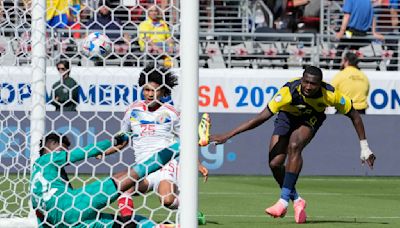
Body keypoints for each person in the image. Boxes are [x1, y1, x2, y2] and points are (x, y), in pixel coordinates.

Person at [209, 66, 376, 224]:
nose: (309, 87)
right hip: (287, 117)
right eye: (306, 82)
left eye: (314, 84)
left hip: (311, 118)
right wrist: (228, 135)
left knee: (295, 145)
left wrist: (364, 147)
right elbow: (259, 118)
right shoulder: (287, 92)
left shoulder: (330, 94)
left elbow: (355, 116)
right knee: (275, 163)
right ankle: (297, 199)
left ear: (320, 84)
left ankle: (283, 201)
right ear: (302, 80)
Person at [108, 65, 208, 224]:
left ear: (163, 92)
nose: (149, 94)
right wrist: (104, 152)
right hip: (143, 166)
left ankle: (191, 211)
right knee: (123, 188)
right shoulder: (132, 111)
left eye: (154, 90)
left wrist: (197, 164)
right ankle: (128, 223)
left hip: (165, 164)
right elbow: (123, 139)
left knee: (167, 200)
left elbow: (186, 142)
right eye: (146, 90)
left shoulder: (171, 113)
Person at [30, 132, 180, 227]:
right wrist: (112, 142)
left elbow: (39, 215)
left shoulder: (37, 177)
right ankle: (180, 146)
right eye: (62, 149)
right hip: (72, 204)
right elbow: (83, 153)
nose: (63, 153)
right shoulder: (48, 159)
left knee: (121, 224)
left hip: (64, 224)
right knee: (130, 175)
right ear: (52, 146)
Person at [334, 0, 384, 68]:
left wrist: (341, 32)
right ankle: (352, 66)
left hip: (350, 32)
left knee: (340, 48)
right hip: (363, 34)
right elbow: (373, 17)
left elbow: (346, 16)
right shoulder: (367, 1)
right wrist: (374, 32)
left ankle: (335, 68)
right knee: (352, 50)